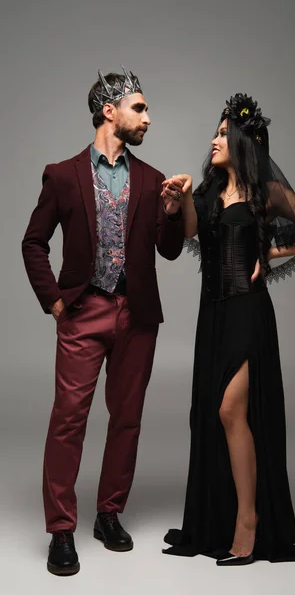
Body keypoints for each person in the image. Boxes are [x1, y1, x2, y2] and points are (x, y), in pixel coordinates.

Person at [21, 67, 184, 576]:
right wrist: (54, 302)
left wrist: (175, 212)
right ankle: (61, 530)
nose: (148, 118)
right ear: (109, 111)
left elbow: (171, 251)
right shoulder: (63, 174)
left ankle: (108, 514)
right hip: (83, 311)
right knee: (68, 419)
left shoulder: (153, 180)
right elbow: (33, 242)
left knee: (127, 417)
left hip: (137, 316)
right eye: (140, 108)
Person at [161, 93, 295, 565]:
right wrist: (179, 202)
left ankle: (249, 521)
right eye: (214, 133)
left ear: (241, 141)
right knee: (214, 415)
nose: (213, 140)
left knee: (231, 410)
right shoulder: (211, 193)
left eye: (221, 133)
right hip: (211, 314)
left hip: (247, 313)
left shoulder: (265, 193)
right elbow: (193, 231)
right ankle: (219, 517)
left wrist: (271, 253)